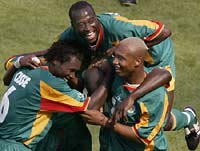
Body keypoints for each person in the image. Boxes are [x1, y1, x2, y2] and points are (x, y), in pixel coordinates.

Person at [81, 37, 200, 151]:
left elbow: (142, 137)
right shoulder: (119, 73)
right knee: (162, 120)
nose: (115, 62)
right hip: (113, 144)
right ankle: (188, 118)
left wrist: (103, 121)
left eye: (121, 58)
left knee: (163, 121)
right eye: (114, 56)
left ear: (137, 61)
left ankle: (188, 117)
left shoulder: (154, 97)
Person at [0, 40, 113, 151]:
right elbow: (90, 108)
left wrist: (18, 62)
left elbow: (7, 77)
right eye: (71, 70)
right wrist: (109, 75)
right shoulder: (50, 83)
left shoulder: (27, 64)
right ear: (56, 61)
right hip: (15, 146)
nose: (72, 76)